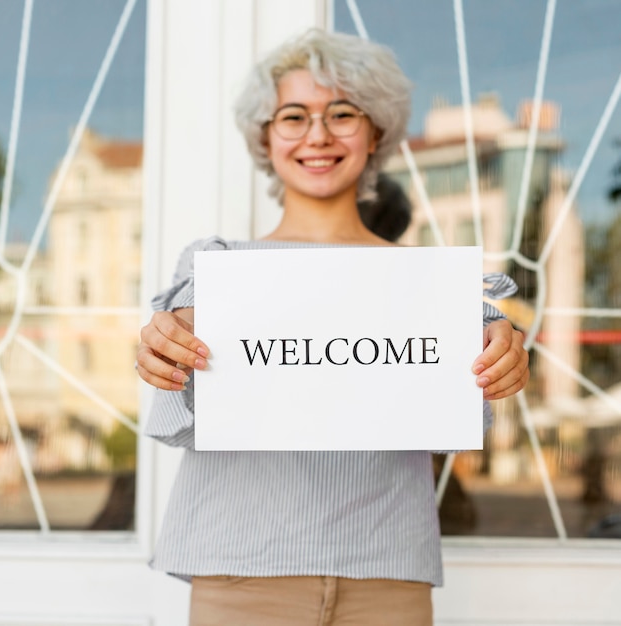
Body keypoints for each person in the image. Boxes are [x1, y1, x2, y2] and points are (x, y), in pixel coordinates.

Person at [136, 28, 529, 626]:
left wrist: (496, 353)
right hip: (241, 572)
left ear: (376, 133)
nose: (318, 134)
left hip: (389, 571)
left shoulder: (426, 282)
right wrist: (167, 353)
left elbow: (454, 423)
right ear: (265, 137)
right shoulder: (213, 268)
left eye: (342, 113)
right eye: (293, 116)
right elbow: (181, 419)